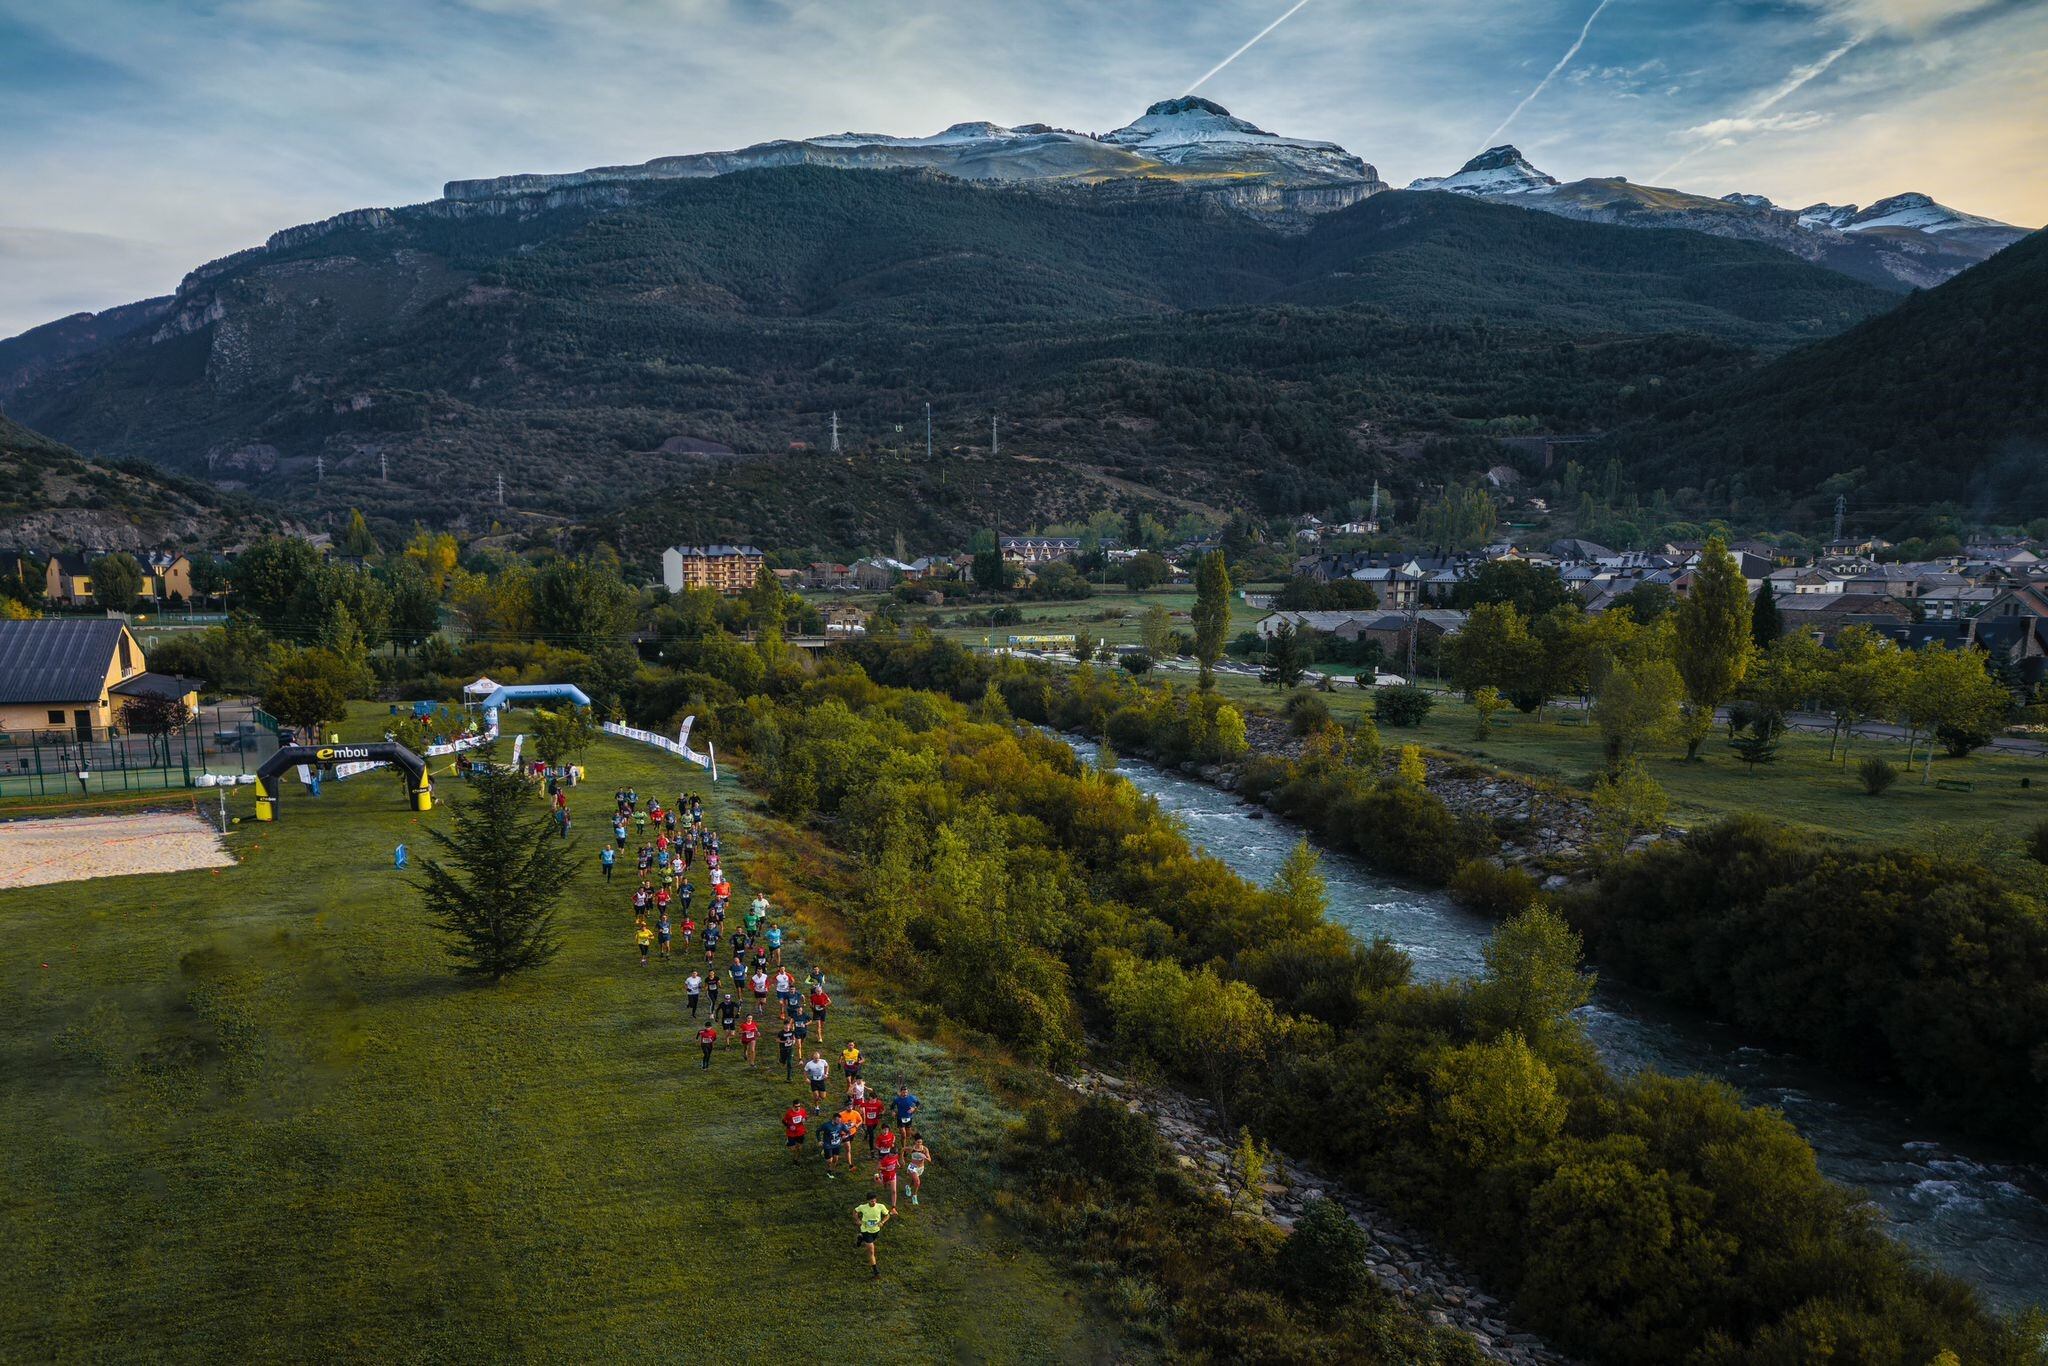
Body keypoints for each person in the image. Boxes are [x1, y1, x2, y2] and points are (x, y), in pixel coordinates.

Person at [853, 1196, 892, 1276]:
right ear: (868, 1201)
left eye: (874, 1201)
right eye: (871, 1201)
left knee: (870, 1240)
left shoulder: (881, 1206)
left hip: (876, 1230)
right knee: (871, 1251)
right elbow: (855, 1211)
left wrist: (882, 1222)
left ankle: (861, 1238)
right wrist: (857, 1220)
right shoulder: (863, 1207)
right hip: (866, 1230)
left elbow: (887, 1215)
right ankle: (875, 1271)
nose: (873, 1202)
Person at [874, 1140, 902, 1210]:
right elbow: (878, 1167)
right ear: (889, 1153)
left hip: (892, 1174)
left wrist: (897, 1164)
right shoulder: (885, 1159)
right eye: (892, 1154)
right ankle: (876, 1177)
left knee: (894, 1191)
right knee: (883, 1184)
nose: (893, 1156)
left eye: (894, 1155)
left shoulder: (896, 1156)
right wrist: (886, 1168)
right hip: (884, 1174)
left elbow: (896, 1160)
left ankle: (893, 1207)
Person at [904, 1138, 932, 1206]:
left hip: (920, 1168)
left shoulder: (924, 1149)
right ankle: (914, 1196)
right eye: (918, 1142)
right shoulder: (912, 1148)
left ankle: (908, 1187)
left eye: (920, 1142)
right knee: (917, 1182)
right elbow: (903, 1149)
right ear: (915, 1142)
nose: (919, 1144)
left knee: (914, 1180)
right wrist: (901, 1158)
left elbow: (929, 1160)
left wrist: (925, 1157)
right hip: (912, 1167)